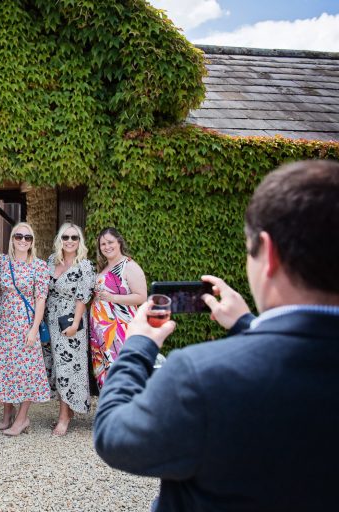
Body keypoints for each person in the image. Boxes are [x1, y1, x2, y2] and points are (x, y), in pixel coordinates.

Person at [93, 160, 339, 511]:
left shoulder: (203, 374)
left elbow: (115, 438)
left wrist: (137, 346)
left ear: (267, 254)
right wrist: (246, 324)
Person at [0, 222, 51, 436]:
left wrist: (34, 329)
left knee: (27, 370)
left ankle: (22, 419)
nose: (23, 240)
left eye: (28, 237)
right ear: (12, 238)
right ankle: (7, 414)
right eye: (19, 236)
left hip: (24, 323)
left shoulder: (39, 266)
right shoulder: (2, 262)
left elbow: (40, 300)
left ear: (32, 242)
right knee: (6, 366)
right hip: (3, 322)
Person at [42, 223, 96, 435]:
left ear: (80, 241)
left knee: (68, 367)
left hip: (71, 320)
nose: (70, 241)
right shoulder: (50, 261)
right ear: (60, 239)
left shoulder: (85, 266)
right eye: (66, 237)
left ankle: (64, 416)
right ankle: (67, 408)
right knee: (56, 365)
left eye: (74, 237)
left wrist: (75, 324)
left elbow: (84, 296)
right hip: (50, 318)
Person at [89, 227, 147, 389]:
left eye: (110, 242)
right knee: (105, 374)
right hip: (101, 333)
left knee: (122, 372)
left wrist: (113, 298)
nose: (107, 246)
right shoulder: (104, 267)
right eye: (103, 244)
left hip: (120, 331)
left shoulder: (129, 266)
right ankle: (111, 411)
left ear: (119, 242)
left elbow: (141, 296)